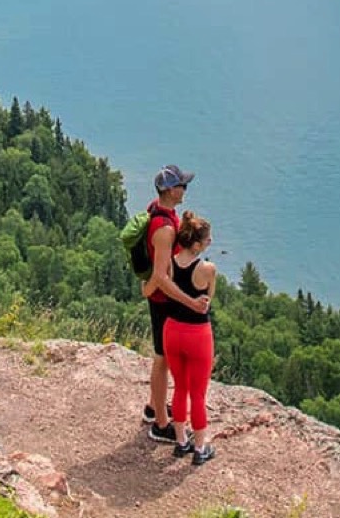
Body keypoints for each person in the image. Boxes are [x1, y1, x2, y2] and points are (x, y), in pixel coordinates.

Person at [140, 164, 209, 444]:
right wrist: (191, 302)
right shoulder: (165, 229)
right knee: (163, 357)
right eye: (182, 186)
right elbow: (160, 276)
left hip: (159, 298)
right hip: (163, 301)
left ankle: (154, 406)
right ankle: (160, 424)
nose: (185, 190)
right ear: (170, 190)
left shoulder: (158, 210)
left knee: (163, 356)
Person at [162, 213, 218, 465]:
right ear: (196, 244)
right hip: (197, 335)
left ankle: (180, 441)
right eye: (207, 239)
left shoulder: (170, 263)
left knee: (180, 387)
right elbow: (208, 301)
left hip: (172, 330)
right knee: (198, 393)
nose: (210, 241)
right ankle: (199, 448)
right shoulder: (206, 269)